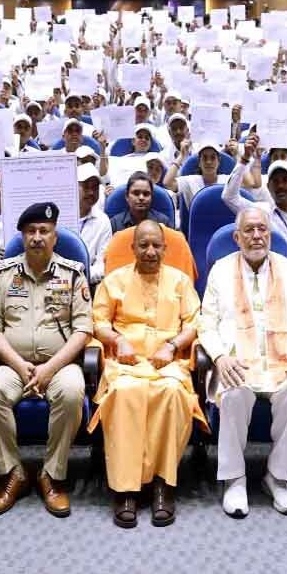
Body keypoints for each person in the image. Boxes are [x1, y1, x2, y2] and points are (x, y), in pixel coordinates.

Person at [198, 207, 287, 517]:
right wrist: (220, 357)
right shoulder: (221, 270)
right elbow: (206, 323)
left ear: (270, 235)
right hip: (236, 361)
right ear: (237, 237)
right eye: (249, 230)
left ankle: (277, 477)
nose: (257, 236)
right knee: (234, 392)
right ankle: (235, 479)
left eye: (262, 229)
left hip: (284, 360)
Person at [0, 202, 91, 518]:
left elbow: (83, 331)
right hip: (14, 365)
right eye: (31, 231)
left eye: (44, 231)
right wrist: (19, 365)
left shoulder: (72, 274)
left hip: (60, 365)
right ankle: (12, 473)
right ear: (22, 236)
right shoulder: (3, 274)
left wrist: (49, 369)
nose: (37, 237)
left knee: (72, 392)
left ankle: (51, 475)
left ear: (55, 237)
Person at [90, 220, 202, 528]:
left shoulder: (180, 281)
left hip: (168, 362)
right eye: (143, 245)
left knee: (172, 394)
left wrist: (174, 345)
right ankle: (125, 489)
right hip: (125, 362)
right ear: (133, 248)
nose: (150, 251)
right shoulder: (113, 281)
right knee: (124, 393)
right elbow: (98, 321)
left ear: (165, 249)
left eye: (156, 246)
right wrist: (117, 340)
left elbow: (194, 322)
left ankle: (163, 485)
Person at [226, 137, 287, 257]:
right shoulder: (261, 211)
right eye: (275, 181)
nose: (280, 186)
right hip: (277, 266)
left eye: (285, 180)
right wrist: (244, 159)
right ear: (268, 186)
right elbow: (229, 197)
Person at [76, 163, 112, 284]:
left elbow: (102, 265)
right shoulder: (60, 216)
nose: (91, 192)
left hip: (87, 283)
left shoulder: (103, 221)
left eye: (95, 187)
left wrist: (76, 277)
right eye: (86, 187)